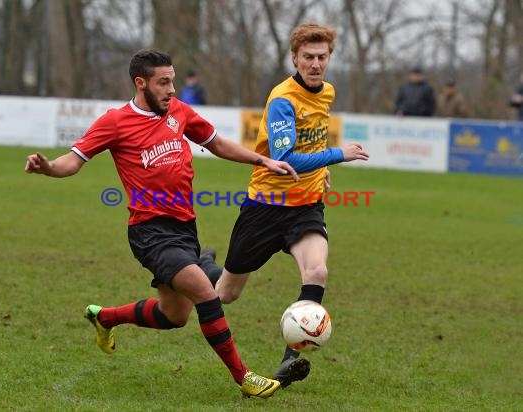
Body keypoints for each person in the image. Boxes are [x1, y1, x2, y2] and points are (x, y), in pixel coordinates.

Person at [24, 48, 300, 398]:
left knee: (175, 316)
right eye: (164, 82)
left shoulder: (179, 112)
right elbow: (73, 161)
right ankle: (245, 378)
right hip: (149, 231)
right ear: (141, 83)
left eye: (172, 80)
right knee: (205, 292)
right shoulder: (114, 121)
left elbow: (216, 144)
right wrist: (47, 167)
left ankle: (105, 317)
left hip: (185, 228)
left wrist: (263, 161)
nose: (172, 89)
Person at [199, 22, 369, 388]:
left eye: (322, 57)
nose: (315, 63)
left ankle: (290, 359)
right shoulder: (282, 100)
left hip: (306, 207)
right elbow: (285, 157)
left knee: (317, 273)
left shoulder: (327, 92)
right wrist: (338, 155)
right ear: (295, 57)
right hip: (266, 208)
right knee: (225, 293)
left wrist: (321, 169)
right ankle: (205, 267)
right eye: (308, 56)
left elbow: (313, 141)